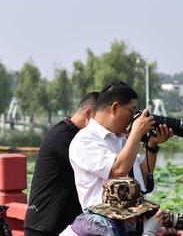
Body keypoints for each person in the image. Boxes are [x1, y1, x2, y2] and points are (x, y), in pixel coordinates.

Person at [69, 81, 173, 210]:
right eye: (132, 110)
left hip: (132, 219)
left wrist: (152, 146)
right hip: (103, 223)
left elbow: (141, 177)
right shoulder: (85, 140)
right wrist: (137, 131)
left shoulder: (120, 138)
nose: (133, 117)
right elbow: (118, 170)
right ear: (115, 108)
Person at [24, 92, 99, 236]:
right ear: (88, 114)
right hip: (44, 225)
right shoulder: (62, 136)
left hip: (61, 224)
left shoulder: (76, 137)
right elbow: (97, 169)